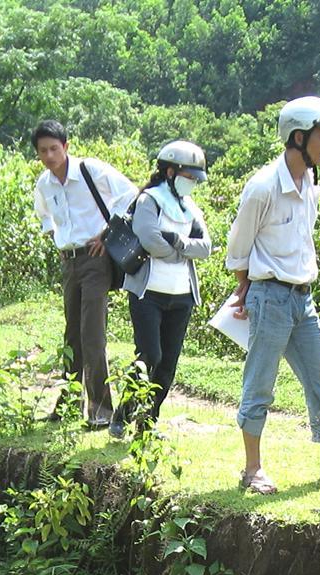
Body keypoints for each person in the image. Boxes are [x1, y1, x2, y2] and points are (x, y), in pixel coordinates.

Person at [224, 96, 320, 495]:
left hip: (302, 297)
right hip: (270, 296)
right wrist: (245, 286)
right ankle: (252, 469)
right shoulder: (263, 187)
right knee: (260, 383)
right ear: (299, 136)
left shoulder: (311, 185)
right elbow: (238, 248)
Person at [31, 120, 138, 428]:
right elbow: (44, 216)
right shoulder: (44, 184)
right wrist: (56, 238)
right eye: (43, 151)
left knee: (92, 334)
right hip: (71, 262)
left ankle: (102, 409)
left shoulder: (90, 170)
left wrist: (106, 234)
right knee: (72, 335)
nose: (50, 155)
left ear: (66, 146)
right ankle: (68, 407)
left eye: (54, 148)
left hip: (97, 260)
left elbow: (130, 194)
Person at [112, 141, 213, 438]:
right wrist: (180, 251)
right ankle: (125, 411)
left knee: (168, 364)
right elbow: (150, 239)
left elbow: (205, 247)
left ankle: (148, 423)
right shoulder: (150, 200)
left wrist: (178, 244)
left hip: (181, 296)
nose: (192, 183)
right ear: (170, 172)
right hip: (148, 294)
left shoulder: (190, 208)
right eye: (188, 176)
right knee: (149, 356)